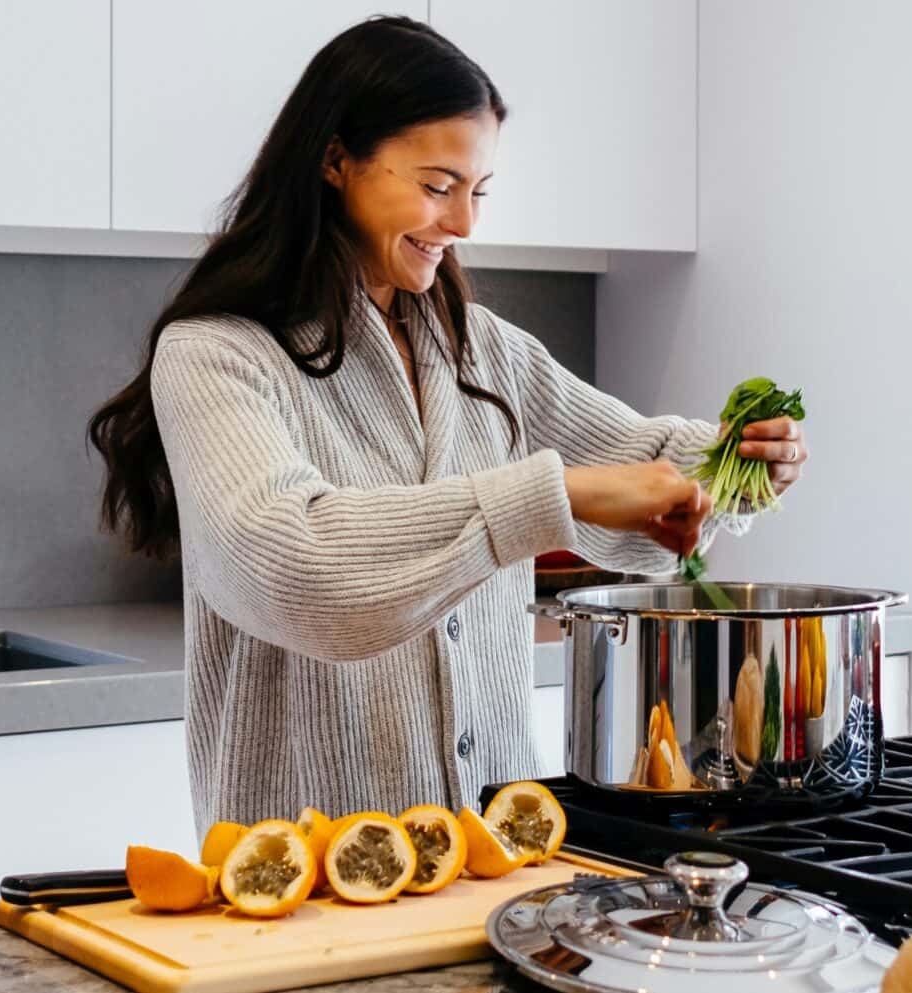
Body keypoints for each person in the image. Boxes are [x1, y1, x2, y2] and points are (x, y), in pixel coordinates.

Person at [87, 15, 807, 826]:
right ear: (334, 161)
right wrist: (550, 496)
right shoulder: (218, 355)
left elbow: (638, 462)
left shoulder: (483, 350)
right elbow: (293, 566)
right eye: (437, 186)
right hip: (306, 873)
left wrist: (733, 463)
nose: (464, 223)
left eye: (478, 191)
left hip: (502, 853)